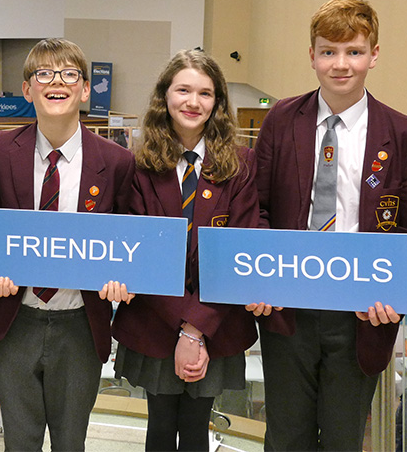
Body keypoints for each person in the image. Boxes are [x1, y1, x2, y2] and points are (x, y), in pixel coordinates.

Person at [254, 0, 407, 450]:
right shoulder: (279, 121)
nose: (341, 64)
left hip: (359, 314)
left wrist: (393, 293)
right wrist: (260, 278)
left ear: (374, 55)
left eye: (354, 51)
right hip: (287, 305)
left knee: (342, 438)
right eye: (328, 51)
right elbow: (258, 208)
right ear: (311, 55)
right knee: (286, 437)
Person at [111, 49, 286, 451]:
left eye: (205, 93)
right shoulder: (138, 165)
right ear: (164, 96)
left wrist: (197, 329)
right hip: (156, 320)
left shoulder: (241, 164)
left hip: (216, 322)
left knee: (195, 432)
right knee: (158, 431)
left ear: (218, 103)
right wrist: (181, 327)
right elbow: (141, 256)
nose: (193, 102)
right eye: (183, 90)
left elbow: (237, 252)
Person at [0, 38, 136, 451]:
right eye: (44, 74)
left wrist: (123, 278)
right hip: (16, 320)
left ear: (86, 90)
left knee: (71, 442)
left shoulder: (117, 162)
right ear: (27, 88)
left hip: (80, 326)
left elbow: (128, 241)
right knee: (20, 442)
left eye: (70, 74)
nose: (57, 82)